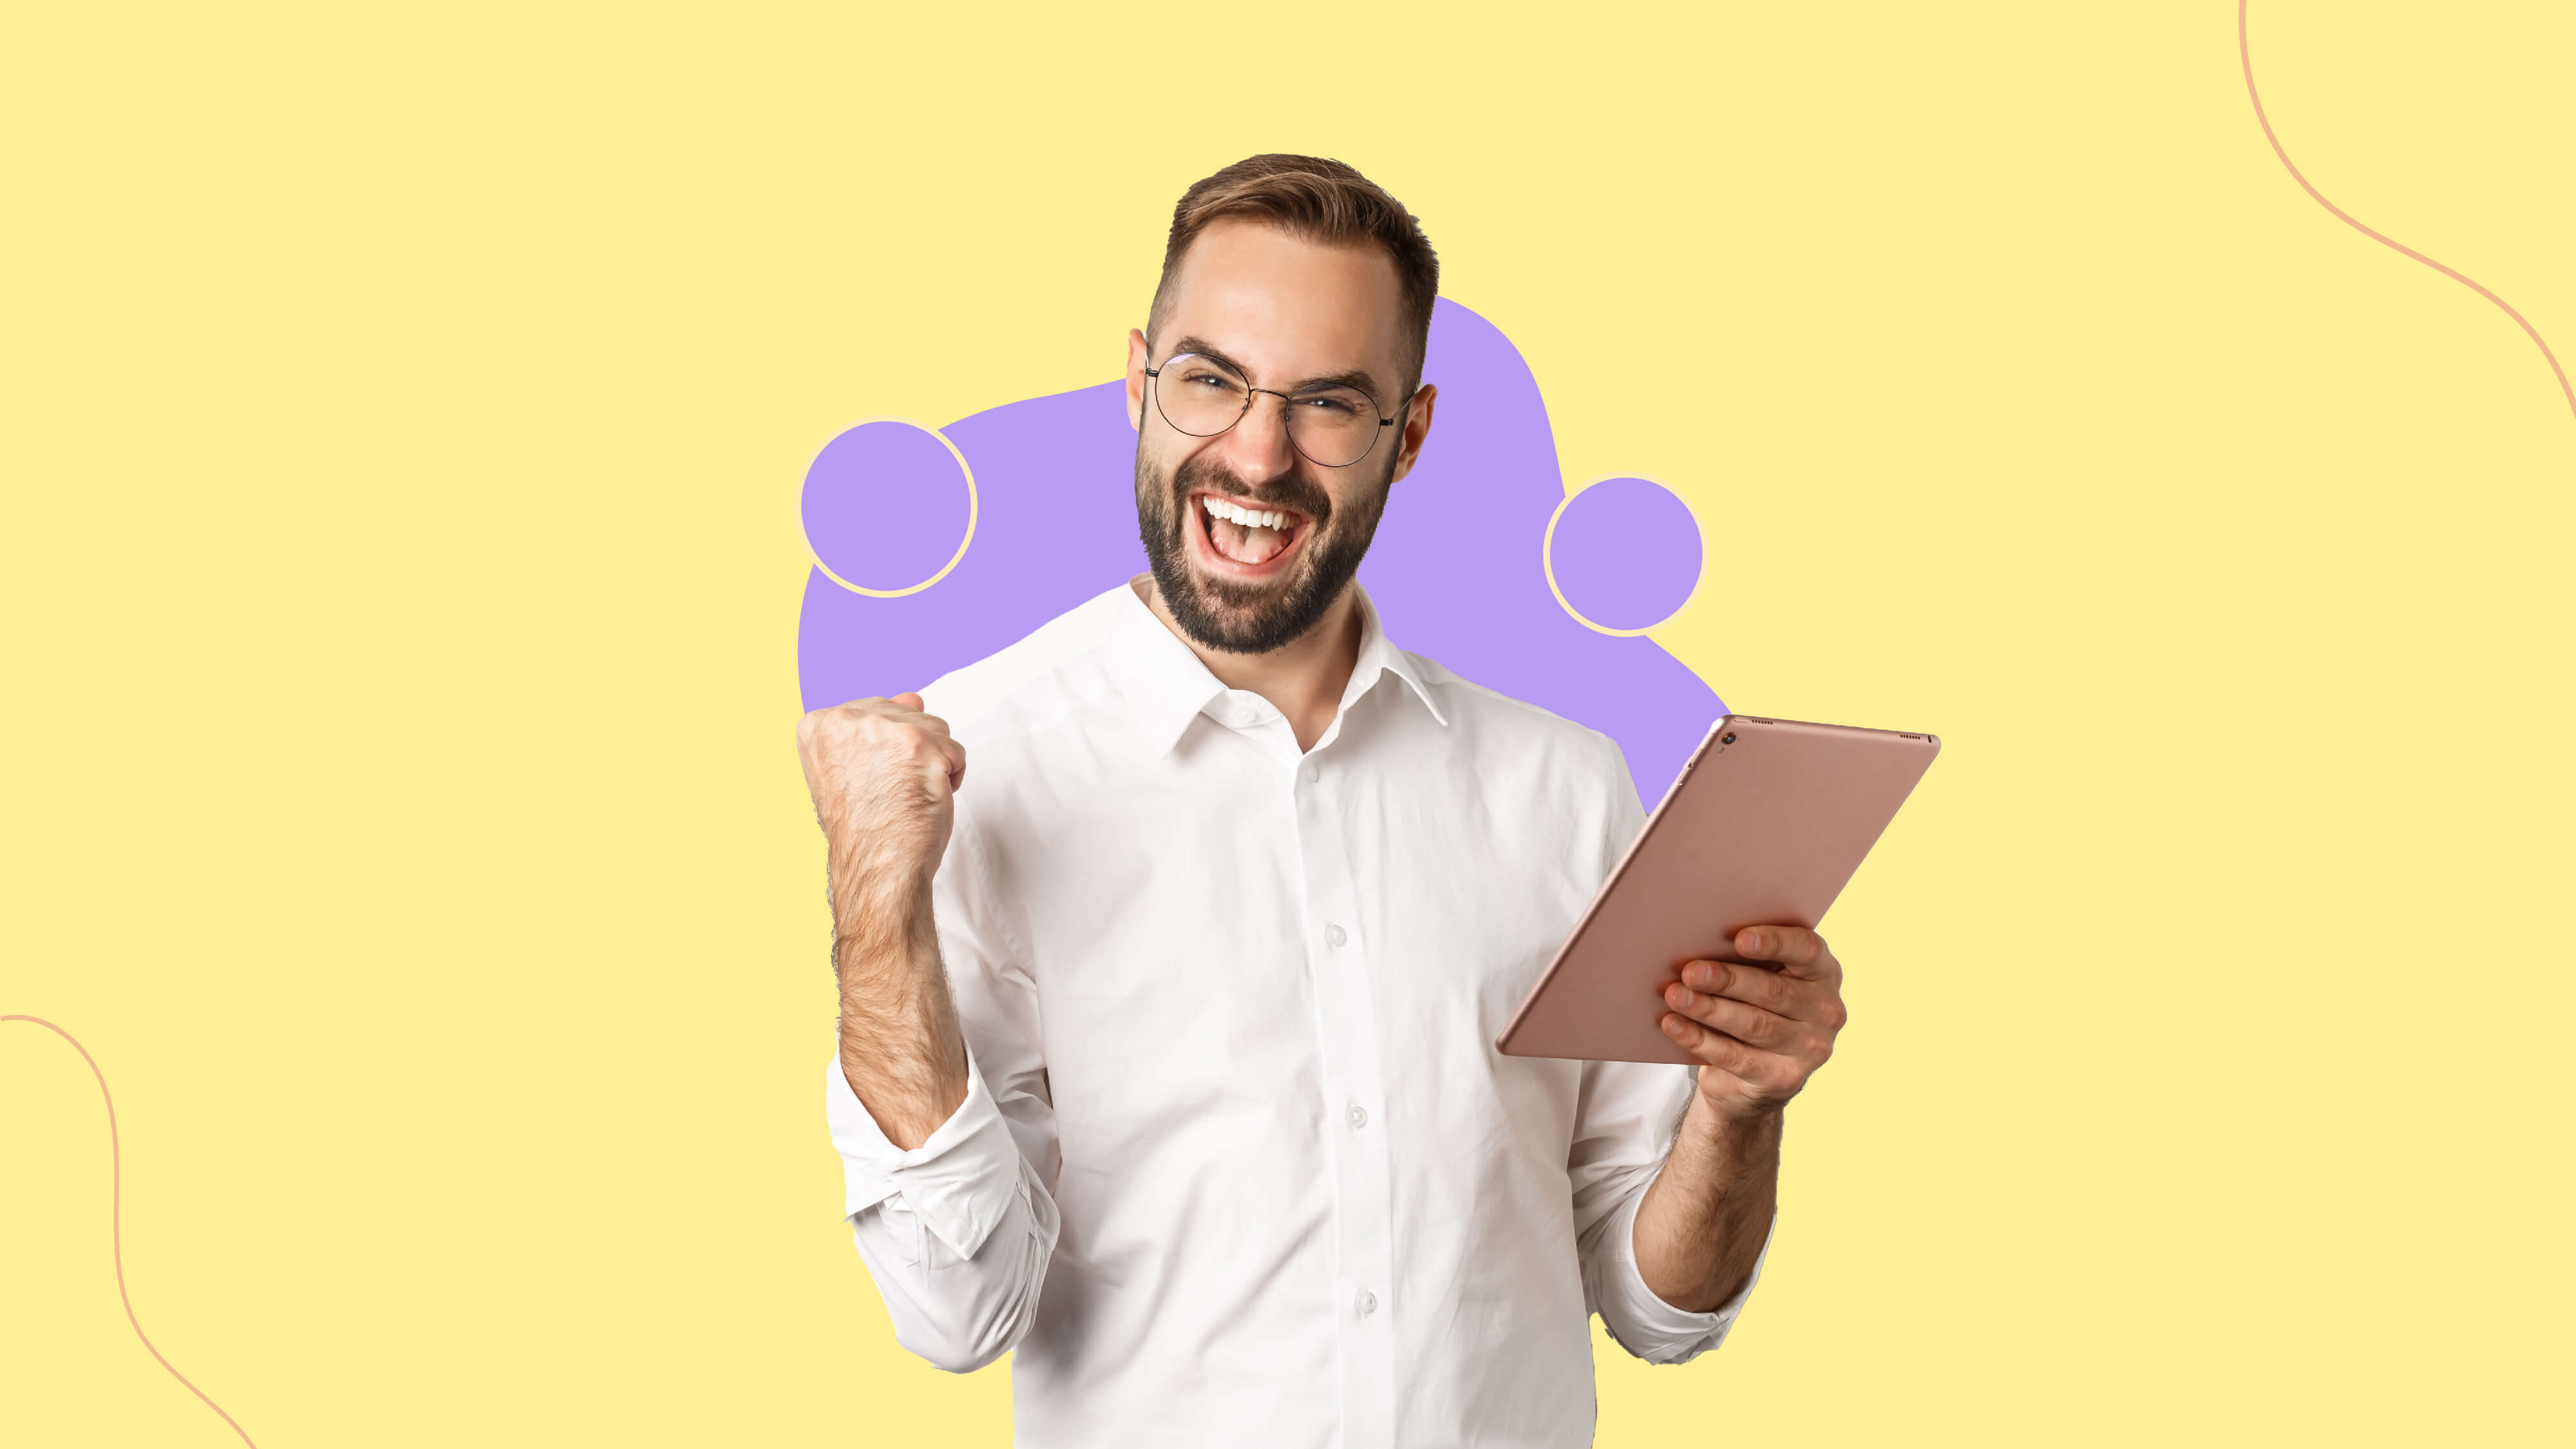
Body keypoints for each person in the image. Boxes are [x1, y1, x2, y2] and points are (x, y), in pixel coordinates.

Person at [796, 154, 1850, 1448]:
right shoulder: (973, 768)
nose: (1253, 454)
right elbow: (956, 1312)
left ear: (1407, 437)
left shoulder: (1563, 789)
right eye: (1207, 380)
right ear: (1137, 381)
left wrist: (1739, 1111)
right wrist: (870, 903)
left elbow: (1656, 1305)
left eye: (1327, 407)